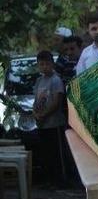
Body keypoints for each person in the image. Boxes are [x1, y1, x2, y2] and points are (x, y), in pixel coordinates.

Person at [34, 50, 68, 187]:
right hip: (42, 125)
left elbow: (56, 102)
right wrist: (35, 114)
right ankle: (48, 180)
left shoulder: (56, 80)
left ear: (52, 64)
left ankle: (60, 180)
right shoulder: (39, 80)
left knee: (56, 154)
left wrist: (44, 115)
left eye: (47, 64)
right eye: (41, 64)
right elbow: (36, 100)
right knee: (45, 153)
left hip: (55, 124)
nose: (44, 67)